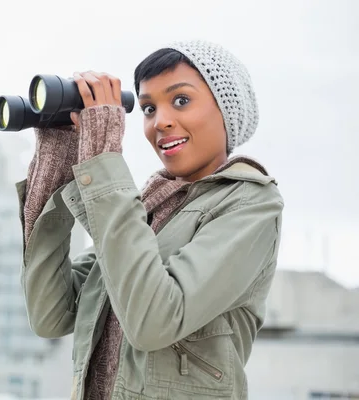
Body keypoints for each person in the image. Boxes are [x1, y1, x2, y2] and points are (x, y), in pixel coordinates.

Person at [15, 40, 284, 400]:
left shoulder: (251, 202)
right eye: (147, 108)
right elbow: (50, 314)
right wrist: (57, 158)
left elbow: (154, 322)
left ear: (226, 111)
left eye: (181, 101)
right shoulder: (145, 211)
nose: (161, 122)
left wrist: (103, 157)